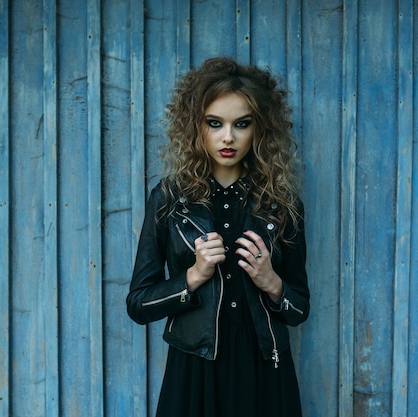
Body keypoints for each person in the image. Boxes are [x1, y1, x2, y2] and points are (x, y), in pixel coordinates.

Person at [126, 57, 310, 417]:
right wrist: (192, 277)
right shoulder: (168, 199)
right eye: (215, 123)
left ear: (260, 129)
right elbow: (138, 304)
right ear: (197, 127)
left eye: (241, 124)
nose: (228, 137)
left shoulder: (282, 203)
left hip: (264, 364)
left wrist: (272, 283)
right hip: (195, 364)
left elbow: (300, 307)